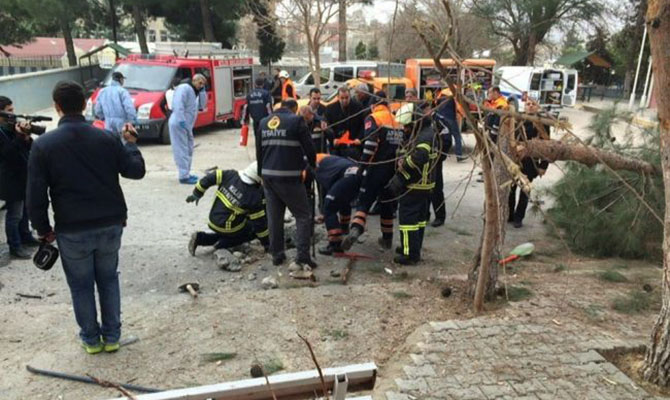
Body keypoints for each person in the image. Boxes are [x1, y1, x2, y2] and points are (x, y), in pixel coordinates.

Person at [27, 80, 146, 354]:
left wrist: (43, 230)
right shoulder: (107, 138)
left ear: (57, 107)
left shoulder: (44, 145)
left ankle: (91, 340)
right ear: (84, 105)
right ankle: (112, 337)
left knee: (80, 286)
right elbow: (135, 171)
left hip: (72, 228)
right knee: (108, 279)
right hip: (110, 223)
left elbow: (35, 195)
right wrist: (130, 144)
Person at [343, 91, 405, 251]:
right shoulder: (397, 120)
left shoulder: (373, 118)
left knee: (364, 201)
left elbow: (370, 145)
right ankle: (387, 239)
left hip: (376, 168)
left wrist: (362, 166)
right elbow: (403, 147)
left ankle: (356, 229)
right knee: (387, 205)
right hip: (392, 171)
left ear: (373, 105)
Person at [259, 99, 317, 269]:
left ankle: (277, 255)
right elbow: (309, 147)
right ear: (294, 109)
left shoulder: (263, 122)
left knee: (275, 217)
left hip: (268, 176)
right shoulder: (296, 120)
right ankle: (303, 257)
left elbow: (258, 150)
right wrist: (312, 166)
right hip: (289, 177)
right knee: (302, 215)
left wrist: (261, 174)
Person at [387, 103, 439, 265]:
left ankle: (409, 254)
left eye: (407, 126)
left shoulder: (423, 136)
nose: (405, 129)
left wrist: (404, 163)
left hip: (415, 185)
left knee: (408, 221)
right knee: (419, 221)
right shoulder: (428, 132)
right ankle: (412, 247)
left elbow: (420, 156)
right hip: (425, 185)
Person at [186, 162, 269, 254]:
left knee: (234, 229)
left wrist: (197, 193)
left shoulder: (230, 175)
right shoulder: (253, 196)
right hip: (228, 226)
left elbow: (209, 178)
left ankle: (200, 238)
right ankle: (222, 244)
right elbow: (259, 226)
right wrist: (267, 244)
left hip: (213, 218)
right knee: (251, 231)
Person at [0, 96, 39, 259]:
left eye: (12, 110)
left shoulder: (10, 128)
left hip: (22, 175)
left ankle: (26, 236)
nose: (13, 114)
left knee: (25, 211)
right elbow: (8, 153)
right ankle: (15, 246)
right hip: (9, 179)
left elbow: (25, 148)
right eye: (9, 111)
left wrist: (26, 137)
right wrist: (18, 137)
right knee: (14, 214)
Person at [508, 101, 550, 228]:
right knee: (511, 189)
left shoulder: (542, 123)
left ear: (537, 107)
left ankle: (518, 217)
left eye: (533, 104)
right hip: (514, 161)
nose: (530, 106)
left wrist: (543, 165)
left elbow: (547, 146)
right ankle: (509, 214)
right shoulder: (517, 120)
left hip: (530, 162)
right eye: (528, 104)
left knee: (524, 191)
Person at [315, 154, 362, 255]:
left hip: (348, 176)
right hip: (357, 173)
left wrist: (324, 211)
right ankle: (344, 228)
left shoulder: (313, 164)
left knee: (329, 206)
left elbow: (324, 188)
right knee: (342, 198)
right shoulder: (326, 159)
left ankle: (335, 244)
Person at [168, 74, 207, 184]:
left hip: (187, 125)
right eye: (200, 83)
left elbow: (202, 106)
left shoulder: (195, 91)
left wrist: (203, 91)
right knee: (181, 149)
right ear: (194, 80)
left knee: (189, 148)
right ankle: (183, 176)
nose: (201, 85)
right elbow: (178, 104)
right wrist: (181, 120)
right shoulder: (184, 88)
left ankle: (186, 172)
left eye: (203, 84)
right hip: (179, 123)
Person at [325, 87, 365, 159]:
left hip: (354, 144)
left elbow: (363, 125)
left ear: (350, 96)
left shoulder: (358, 107)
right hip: (337, 146)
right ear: (338, 97)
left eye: (347, 98)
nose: (344, 100)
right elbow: (328, 126)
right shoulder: (330, 109)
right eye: (342, 98)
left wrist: (359, 138)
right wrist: (333, 139)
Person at [243, 77, 273, 172]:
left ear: (255, 84)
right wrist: (272, 118)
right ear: (263, 84)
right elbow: (268, 107)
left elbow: (245, 108)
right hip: (266, 121)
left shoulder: (249, 94)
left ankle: (259, 159)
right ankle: (267, 158)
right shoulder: (266, 93)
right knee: (267, 139)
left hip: (255, 121)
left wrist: (245, 120)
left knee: (258, 140)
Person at [94, 71, 137, 136]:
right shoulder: (122, 91)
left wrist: (103, 118)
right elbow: (129, 108)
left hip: (108, 123)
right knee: (122, 142)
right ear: (121, 80)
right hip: (122, 123)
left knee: (110, 142)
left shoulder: (102, 91)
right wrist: (132, 121)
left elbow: (98, 109)